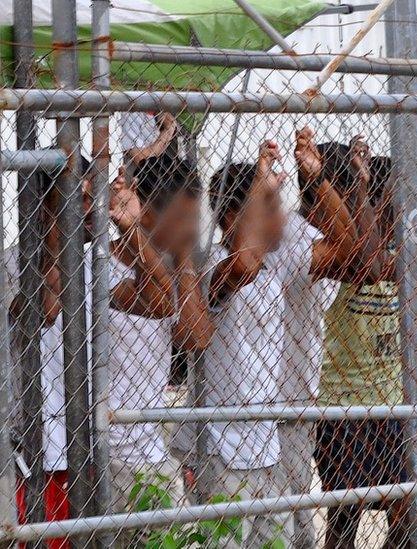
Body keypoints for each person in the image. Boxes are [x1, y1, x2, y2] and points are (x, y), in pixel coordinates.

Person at [317, 91, 417, 548]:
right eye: (394, 193)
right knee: (345, 517)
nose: (405, 202)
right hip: (344, 406)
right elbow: (369, 262)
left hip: (392, 401)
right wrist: (365, 185)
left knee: (405, 508)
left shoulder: (400, 239)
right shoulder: (341, 249)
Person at [201, 140, 357, 548]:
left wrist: (318, 181)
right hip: (224, 455)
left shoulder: (276, 264)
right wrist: (259, 185)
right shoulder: (210, 268)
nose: (280, 218)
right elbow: (242, 265)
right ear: (235, 216)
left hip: (267, 452)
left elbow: (346, 244)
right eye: (270, 208)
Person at [106, 157, 213, 526]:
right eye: (183, 219)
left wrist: (183, 257)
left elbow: (196, 337)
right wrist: (134, 230)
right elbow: (156, 301)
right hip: (106, 452)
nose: (191, 229)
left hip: (151, 452)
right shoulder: (97, 264)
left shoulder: (178, 269)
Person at [5, 159, 91, 549]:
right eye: (78, 199)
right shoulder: (14, 263)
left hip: (87, 444)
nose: (89, 209)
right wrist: (57, 233)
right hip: (40, 452)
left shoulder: (93, 259)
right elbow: (45, 308)